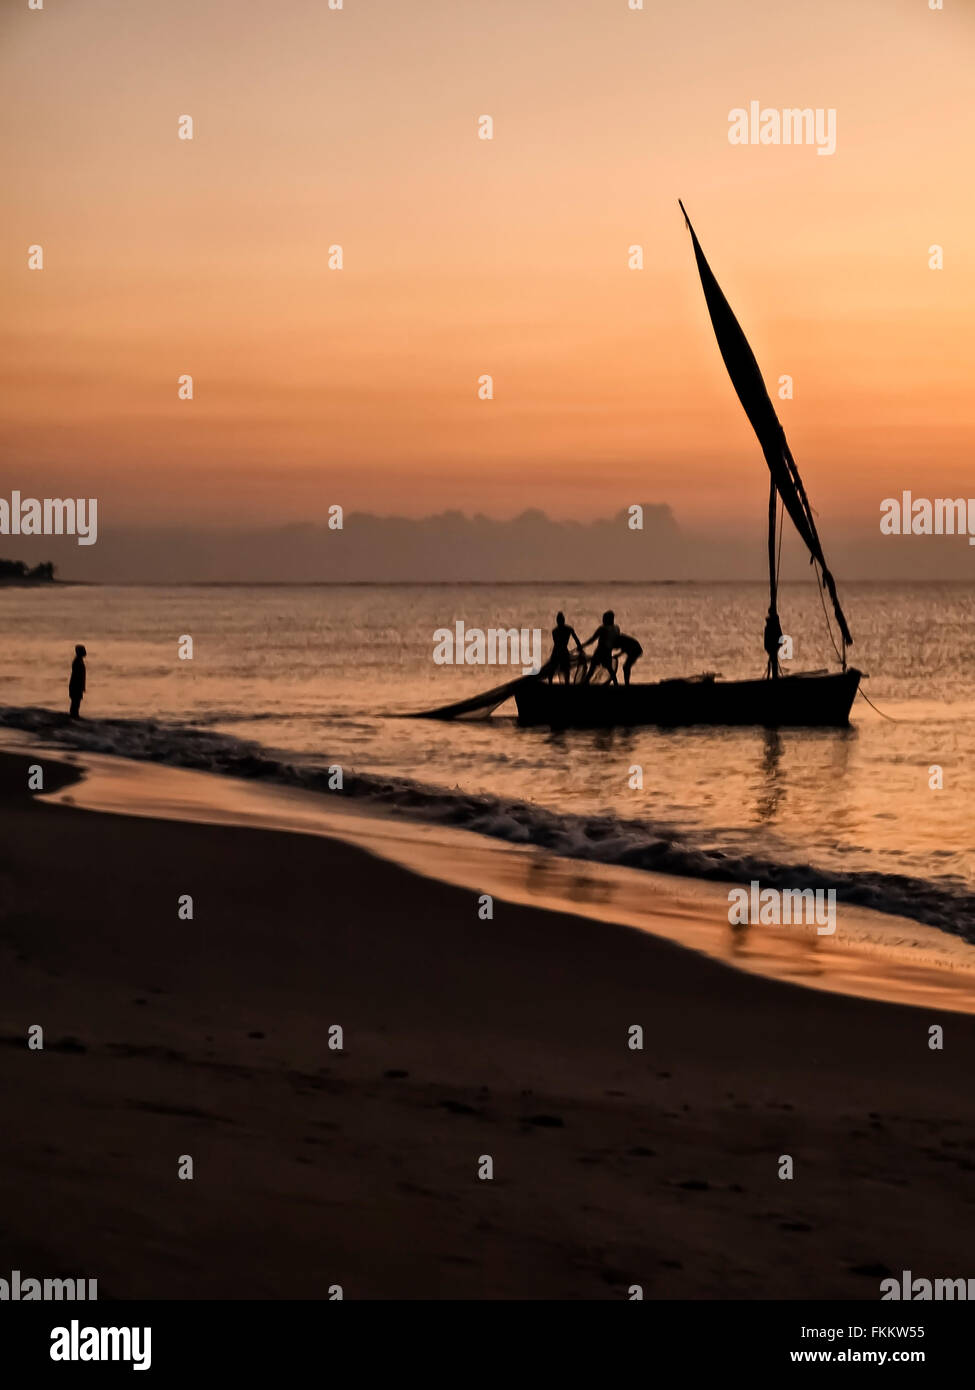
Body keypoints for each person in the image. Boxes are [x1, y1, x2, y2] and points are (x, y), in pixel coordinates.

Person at [581, 610, 621, 685]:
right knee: (610, 669)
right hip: (608, 651)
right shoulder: (616, 628)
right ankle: (616, 684)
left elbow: (592, 639)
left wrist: (583, 645)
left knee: (592, 669)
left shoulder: (602, 628)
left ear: (607, 619)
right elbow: (617, 641)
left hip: (600, 651)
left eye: (604, 618)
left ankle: (585, 683)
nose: (603, 620)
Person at [545, 611, 583, 683]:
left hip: (556, 651)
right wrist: (580, 648)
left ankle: (551, 684)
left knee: (554, 670)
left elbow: (557, 642)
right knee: (564, 670)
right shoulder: (568, 629)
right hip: (562, 651)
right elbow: (576, 640)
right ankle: (566, 685)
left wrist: (579, 647)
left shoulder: (555, 631)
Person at [763, 605, 783, 679]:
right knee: (772, 660)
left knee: (772, 660)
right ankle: (770, 675)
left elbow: (778, 631)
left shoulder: (774, 621)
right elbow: (777, 631)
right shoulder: (772, 622)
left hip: (773, 644)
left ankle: (771, 675)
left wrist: (780, 642)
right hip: (772, 644)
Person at [68, 644, 87, 718]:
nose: (85, 652)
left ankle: (74, 716)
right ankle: (74, 716)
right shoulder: (77, 662)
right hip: (75, 686)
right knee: (75, 703)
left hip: (77, 686)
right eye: (83, 650)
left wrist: (83, 686)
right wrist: (80, 686)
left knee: (76, 703)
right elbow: (77, 676)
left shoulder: (79, 661)